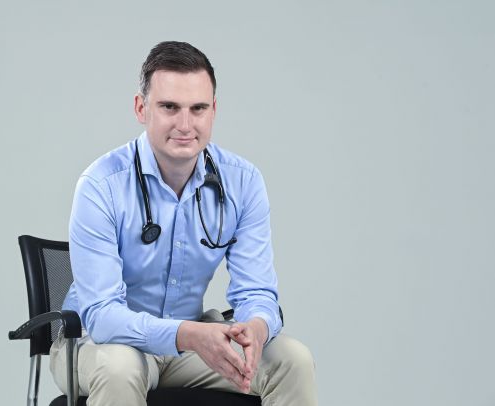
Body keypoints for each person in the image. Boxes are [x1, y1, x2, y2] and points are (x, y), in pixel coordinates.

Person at [50, 41, 318, 406]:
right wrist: (188, 335)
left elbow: (257, 292)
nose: (185, 124)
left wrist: (256, 327)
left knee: (292, 361)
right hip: (101, 344)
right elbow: (102, 317)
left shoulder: (243, 182)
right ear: (141, 108)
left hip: (190, 346)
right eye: (169, 107)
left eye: (198, 108)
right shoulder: (101, 185)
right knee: (120, 369)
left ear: (213, 111)